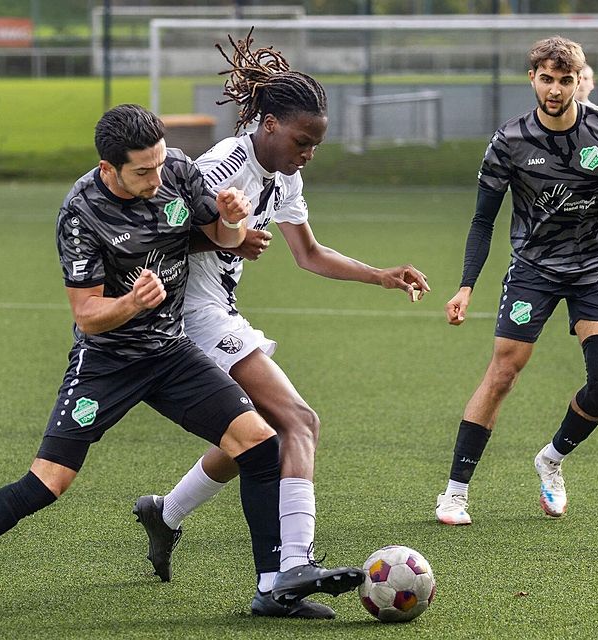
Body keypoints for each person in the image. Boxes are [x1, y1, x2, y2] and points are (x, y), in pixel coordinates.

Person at [0, 103, 364, 616]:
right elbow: (87, 316)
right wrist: (132, 302)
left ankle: (272, 590)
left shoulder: (175, 168)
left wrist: (228, 220)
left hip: (171, 351)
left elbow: (224, 240)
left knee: (260, 442)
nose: (158, 178)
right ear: (109, 168)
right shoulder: (81, 214)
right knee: (47, 482)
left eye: (159, 164)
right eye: (142, 171)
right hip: (108, 361)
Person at [132, 30, 429, 620]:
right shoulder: (224, 165)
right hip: (191, 315)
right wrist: (228, 238)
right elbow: (153, 228)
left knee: (256, 437)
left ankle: (164, 513)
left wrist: (382, 275)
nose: (307, 154)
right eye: (301, 140)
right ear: (267, 123)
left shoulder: (283, 176)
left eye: (315, 145)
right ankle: (292, 566)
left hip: (221, 311)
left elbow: (309, 254)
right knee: (300, 421)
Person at [434, 36, 598, 526]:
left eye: (565, 80)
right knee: (502, 374)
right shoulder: (509, 141)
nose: (555, 90)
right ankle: (454, 492)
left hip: (597, 269)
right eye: (547, 79)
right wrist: (467, 284)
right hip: (534, 270)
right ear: (533, 79)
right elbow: (481, 221)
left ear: (580, 80)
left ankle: (551, 459)